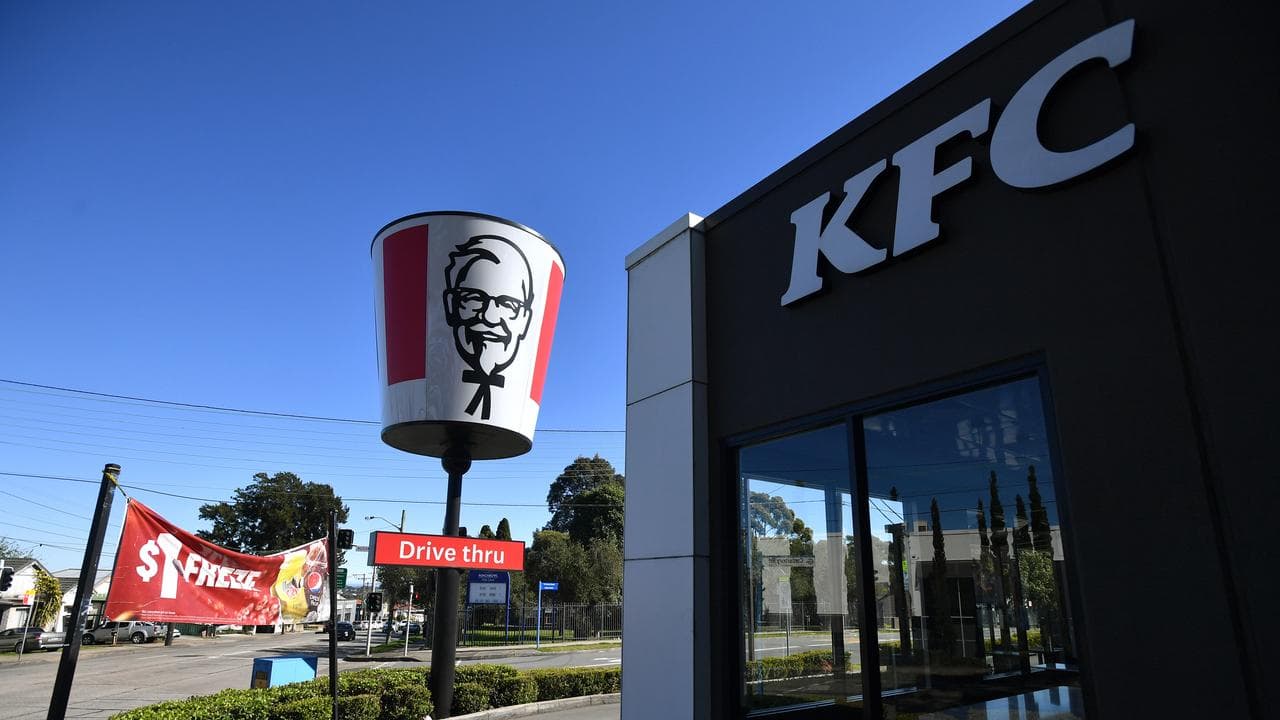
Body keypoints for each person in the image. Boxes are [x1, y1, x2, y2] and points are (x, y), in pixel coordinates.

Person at [442, 235, 534, 420]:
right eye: (474, 299)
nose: (490, 317)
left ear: (525, 319)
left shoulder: (517, 412)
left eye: (508, 305)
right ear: (451, 306)